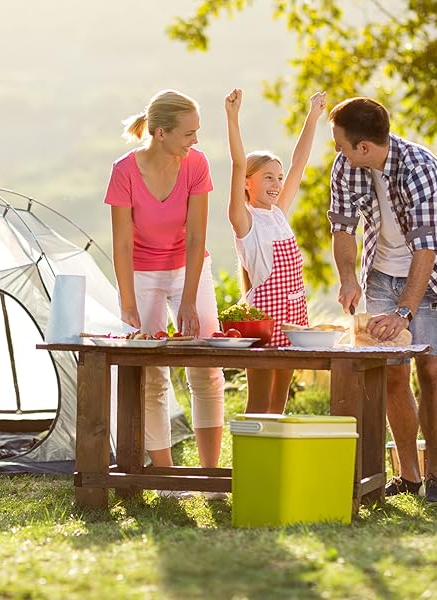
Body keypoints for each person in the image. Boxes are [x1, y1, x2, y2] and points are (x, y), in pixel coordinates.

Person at [327, 97, 437, 504]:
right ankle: (408, 475)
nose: (338, 152)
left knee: (430, 368)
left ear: (365, 148)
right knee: (391, 373)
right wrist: (349, 277)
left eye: (341, 145)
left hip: (430, 275)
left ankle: (436, 475)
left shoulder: (420, 168)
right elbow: (342, 227)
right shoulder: (346, 167)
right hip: (380, 274)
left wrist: (404, 311)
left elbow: (427, 249)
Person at [104, 89, 225, 473]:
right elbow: (121, 244)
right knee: (152, 374)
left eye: (197, 132)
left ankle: (209, 474)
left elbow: (196, 237)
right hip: (142, 273)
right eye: (188, 133)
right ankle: (166, 474)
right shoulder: (124, 171)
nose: (195, 141)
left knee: (207, 367)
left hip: (189, 269)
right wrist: (127, 303)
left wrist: (188, 300)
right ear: (160, 133)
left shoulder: (196, 164)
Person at [224, 87, 327, 414]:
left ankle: (274, 455)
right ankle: (253, 457)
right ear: (247, 183)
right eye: (268, 177)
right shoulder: (244, 220)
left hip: (293, 316)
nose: (277, 184)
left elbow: (299, 163)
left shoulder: (278, 214)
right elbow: (237, 162)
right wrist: (232, 118)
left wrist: (313, 115)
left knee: (280, 397)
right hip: (264, 320)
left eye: (278, 178)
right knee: (259, 397)